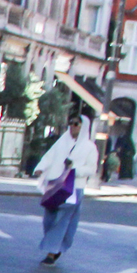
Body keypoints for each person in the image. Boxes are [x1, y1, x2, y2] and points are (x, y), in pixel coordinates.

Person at [34, 110, 101, 265]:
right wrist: (40, 168)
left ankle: (52, 252)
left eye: (76, 124)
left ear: (83, 127)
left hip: (73, 188)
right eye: (70, 123)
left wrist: (74, 170)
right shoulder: (62, 142)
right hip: (54, 185)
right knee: (49, 219)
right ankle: (57, 246)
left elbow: (91, 169)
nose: (72, 126)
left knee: (62, 220)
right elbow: (49, 156)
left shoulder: (90, 147)